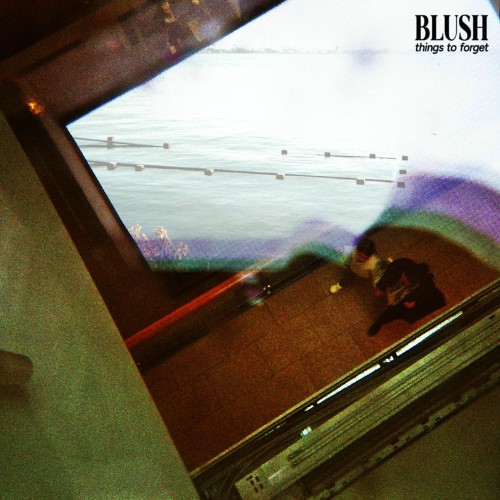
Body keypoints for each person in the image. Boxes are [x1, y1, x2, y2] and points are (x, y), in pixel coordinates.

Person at [367, 258, 446, 336]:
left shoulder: (425, 283)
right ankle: (380, 321)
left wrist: (415, 302)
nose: (402, 279)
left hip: (407, 296)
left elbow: (425, 292)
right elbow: (391, 269)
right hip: (399, 287)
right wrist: (381, 286)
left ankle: (381, 321)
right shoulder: (403, 264)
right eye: (403, 277)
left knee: (394, 310)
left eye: (405, 281)